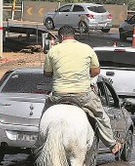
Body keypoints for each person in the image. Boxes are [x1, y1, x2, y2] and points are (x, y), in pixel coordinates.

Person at [43, 25, 122, 155]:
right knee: (100, 116)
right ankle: (111, 144)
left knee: (45, 114)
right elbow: (96, 71)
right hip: (82, 95)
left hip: (59, 94)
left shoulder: (53, 50)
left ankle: (39, 143)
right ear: (73, 35)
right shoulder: (87, 49)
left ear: (61, 37)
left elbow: (47, 73)